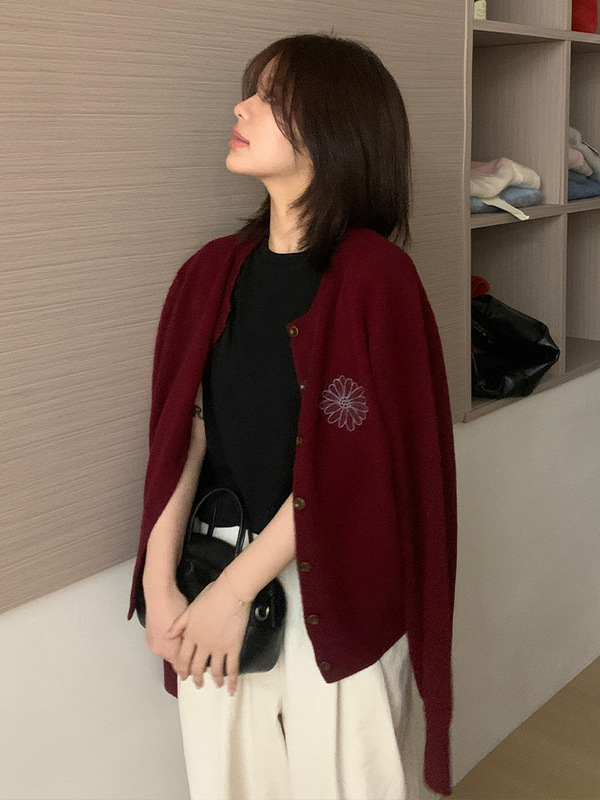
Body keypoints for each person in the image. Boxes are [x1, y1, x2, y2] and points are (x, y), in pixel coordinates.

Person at [128, 32, 457, 800]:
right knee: (229, 784)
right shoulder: (210, 273)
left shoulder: (377, 279)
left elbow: (355, 470)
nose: (241, 108)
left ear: (337, 127)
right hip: (211, 568)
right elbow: (187, 432)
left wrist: (234, 593)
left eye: (270, 97)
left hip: (336, 588)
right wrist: (161, 581)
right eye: (250, 92)